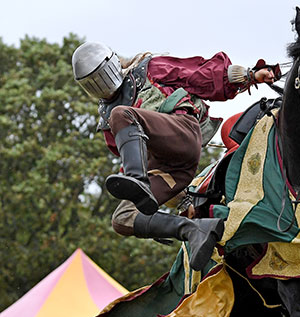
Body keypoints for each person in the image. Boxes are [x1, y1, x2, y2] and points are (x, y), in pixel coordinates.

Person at [72, 42, 277, 270]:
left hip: (183, 134)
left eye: (100, 76)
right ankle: (193, 230)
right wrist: (181, 201)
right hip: (171, 171)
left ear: (112, 65)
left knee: (121, 116)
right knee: (122, 218)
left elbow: (199, 75)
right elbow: (139, 158)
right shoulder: (109, 122)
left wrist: (249, 75)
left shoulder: (149, 71)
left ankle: (139, 183)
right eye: (91, 84)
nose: (99, 85)